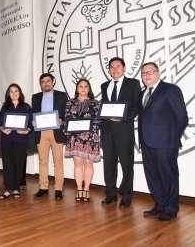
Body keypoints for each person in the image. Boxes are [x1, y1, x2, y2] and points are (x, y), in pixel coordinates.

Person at [138, 62, 188, 221]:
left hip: (166, 143)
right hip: (146, 143)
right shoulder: (141, 94)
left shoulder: (170, 90)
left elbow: (182, 117)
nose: (147, 75)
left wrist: (172, 138)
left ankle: (171, 209)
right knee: (152, 176)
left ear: (158, 73)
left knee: (168, 176)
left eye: (150, 72)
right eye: (144, 73)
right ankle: (160, 205)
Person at [100, 57, 141, 208]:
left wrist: (123, 117)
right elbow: (104, 108)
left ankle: (127, 196)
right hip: (107, 132)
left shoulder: (133, 83)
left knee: (127, 164)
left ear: (124, 68)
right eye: (112, 67)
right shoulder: (104, 86)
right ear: (109, 70)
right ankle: (111, 194)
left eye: (118, 66)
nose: (115, 69)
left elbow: (137, 106)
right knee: (109, 164)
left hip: (124, 130)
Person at [31, 73, 68, 200]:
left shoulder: (62, 96)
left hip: (56, 131)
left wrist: (62, 121)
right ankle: (43, 188)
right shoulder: (35, 97)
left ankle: (58, 189)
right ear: (40, 84)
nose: (46, 83)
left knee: (58, 162)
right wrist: (33, 121)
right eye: (43, 81)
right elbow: (33, 114)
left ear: (53, 82)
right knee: (43, 161)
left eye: (48, 81)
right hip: (41, 132)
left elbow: (67, 113)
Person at [64, 79, 101, 202]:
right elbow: (66, 119)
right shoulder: (70, 103)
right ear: (77, 88)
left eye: (86, 86)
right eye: (80, 86)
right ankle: (79, 189)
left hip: (90, 137)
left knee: (88, 163)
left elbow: (98, 120)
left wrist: (88, 128)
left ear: (89, 88)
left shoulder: (95, 103)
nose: (83, 88)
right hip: (75, 138)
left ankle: (87, 189)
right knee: (78, 163)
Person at [0, 83, 32, 199]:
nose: (14, 93)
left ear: (20, 93)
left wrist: (27, 130)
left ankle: (16, 188)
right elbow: (0, 123)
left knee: (19, 165)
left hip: (21, 139)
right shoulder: (5, 106)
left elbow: (31, 124)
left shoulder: (27, 107)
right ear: (8, 94)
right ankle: (8, 189)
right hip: (7, 139)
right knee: (7, 165)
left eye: (16, 91)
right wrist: (2, 128)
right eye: (11, 91)